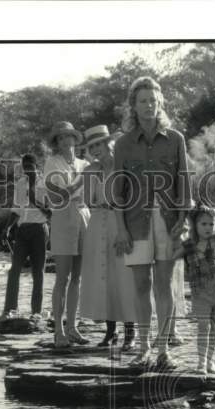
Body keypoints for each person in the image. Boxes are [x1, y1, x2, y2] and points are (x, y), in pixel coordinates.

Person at [113, 77, 192, 371]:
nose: (149, 105)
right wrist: (121, 229)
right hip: (134, 223)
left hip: (168, 221)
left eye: (153, 101)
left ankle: (163, 350)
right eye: (143, 101)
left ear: (160, 104)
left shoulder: (175, 139)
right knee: (141, 284)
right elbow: (117, 192)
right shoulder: (122, 144)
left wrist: (182, 220)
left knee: (164, 284)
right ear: (133, 106)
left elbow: (184, 183)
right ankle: (143, 348)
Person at [78, 125, 138, 349]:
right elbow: (88, 200)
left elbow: (132, 197)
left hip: (121, 222)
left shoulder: (124, 165)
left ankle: (130, 331)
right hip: (98, 222)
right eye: (91, 147)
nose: (95, 150)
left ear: (108, 143)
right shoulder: (90, 171)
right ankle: (110, 331)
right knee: (103, 276)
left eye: (98, 145)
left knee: (125, 275)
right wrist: (91, 174)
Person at [175, 204, 215, 373]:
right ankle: (201, 362)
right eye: (203, 224)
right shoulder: (188, 245)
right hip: (200, 292)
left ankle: (210, 361)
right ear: (194, 225)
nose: (208, 227)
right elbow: (172, 256)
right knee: (204, 326)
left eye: (211, 224)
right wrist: (180, 233)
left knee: (214, 326)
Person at [43, 121, 90, 348]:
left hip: (83, 217)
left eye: (68, 136)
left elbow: (92, 193)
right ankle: (58, 331)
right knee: (62, 277)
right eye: (60, 138)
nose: (64, 140)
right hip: (62, 218)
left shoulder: (85, 163)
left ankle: (72, 327)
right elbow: (55, 196)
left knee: (78, 278)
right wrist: (77, 186)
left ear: (74, 139)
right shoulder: (52, 163)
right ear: (56, 142)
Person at [0, 153, 50, 322]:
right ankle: (10, 309)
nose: (27, 170)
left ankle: (36, 312)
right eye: (24, 167)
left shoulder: (45, 184)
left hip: (40, 230)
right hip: (22, 230)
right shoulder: (20, 183)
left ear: (37, 167)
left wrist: (34, 199)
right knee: (14, 270)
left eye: (30, 167)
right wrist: (7, 228)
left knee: (38, 272)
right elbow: (16, 209)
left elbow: (50, 212)